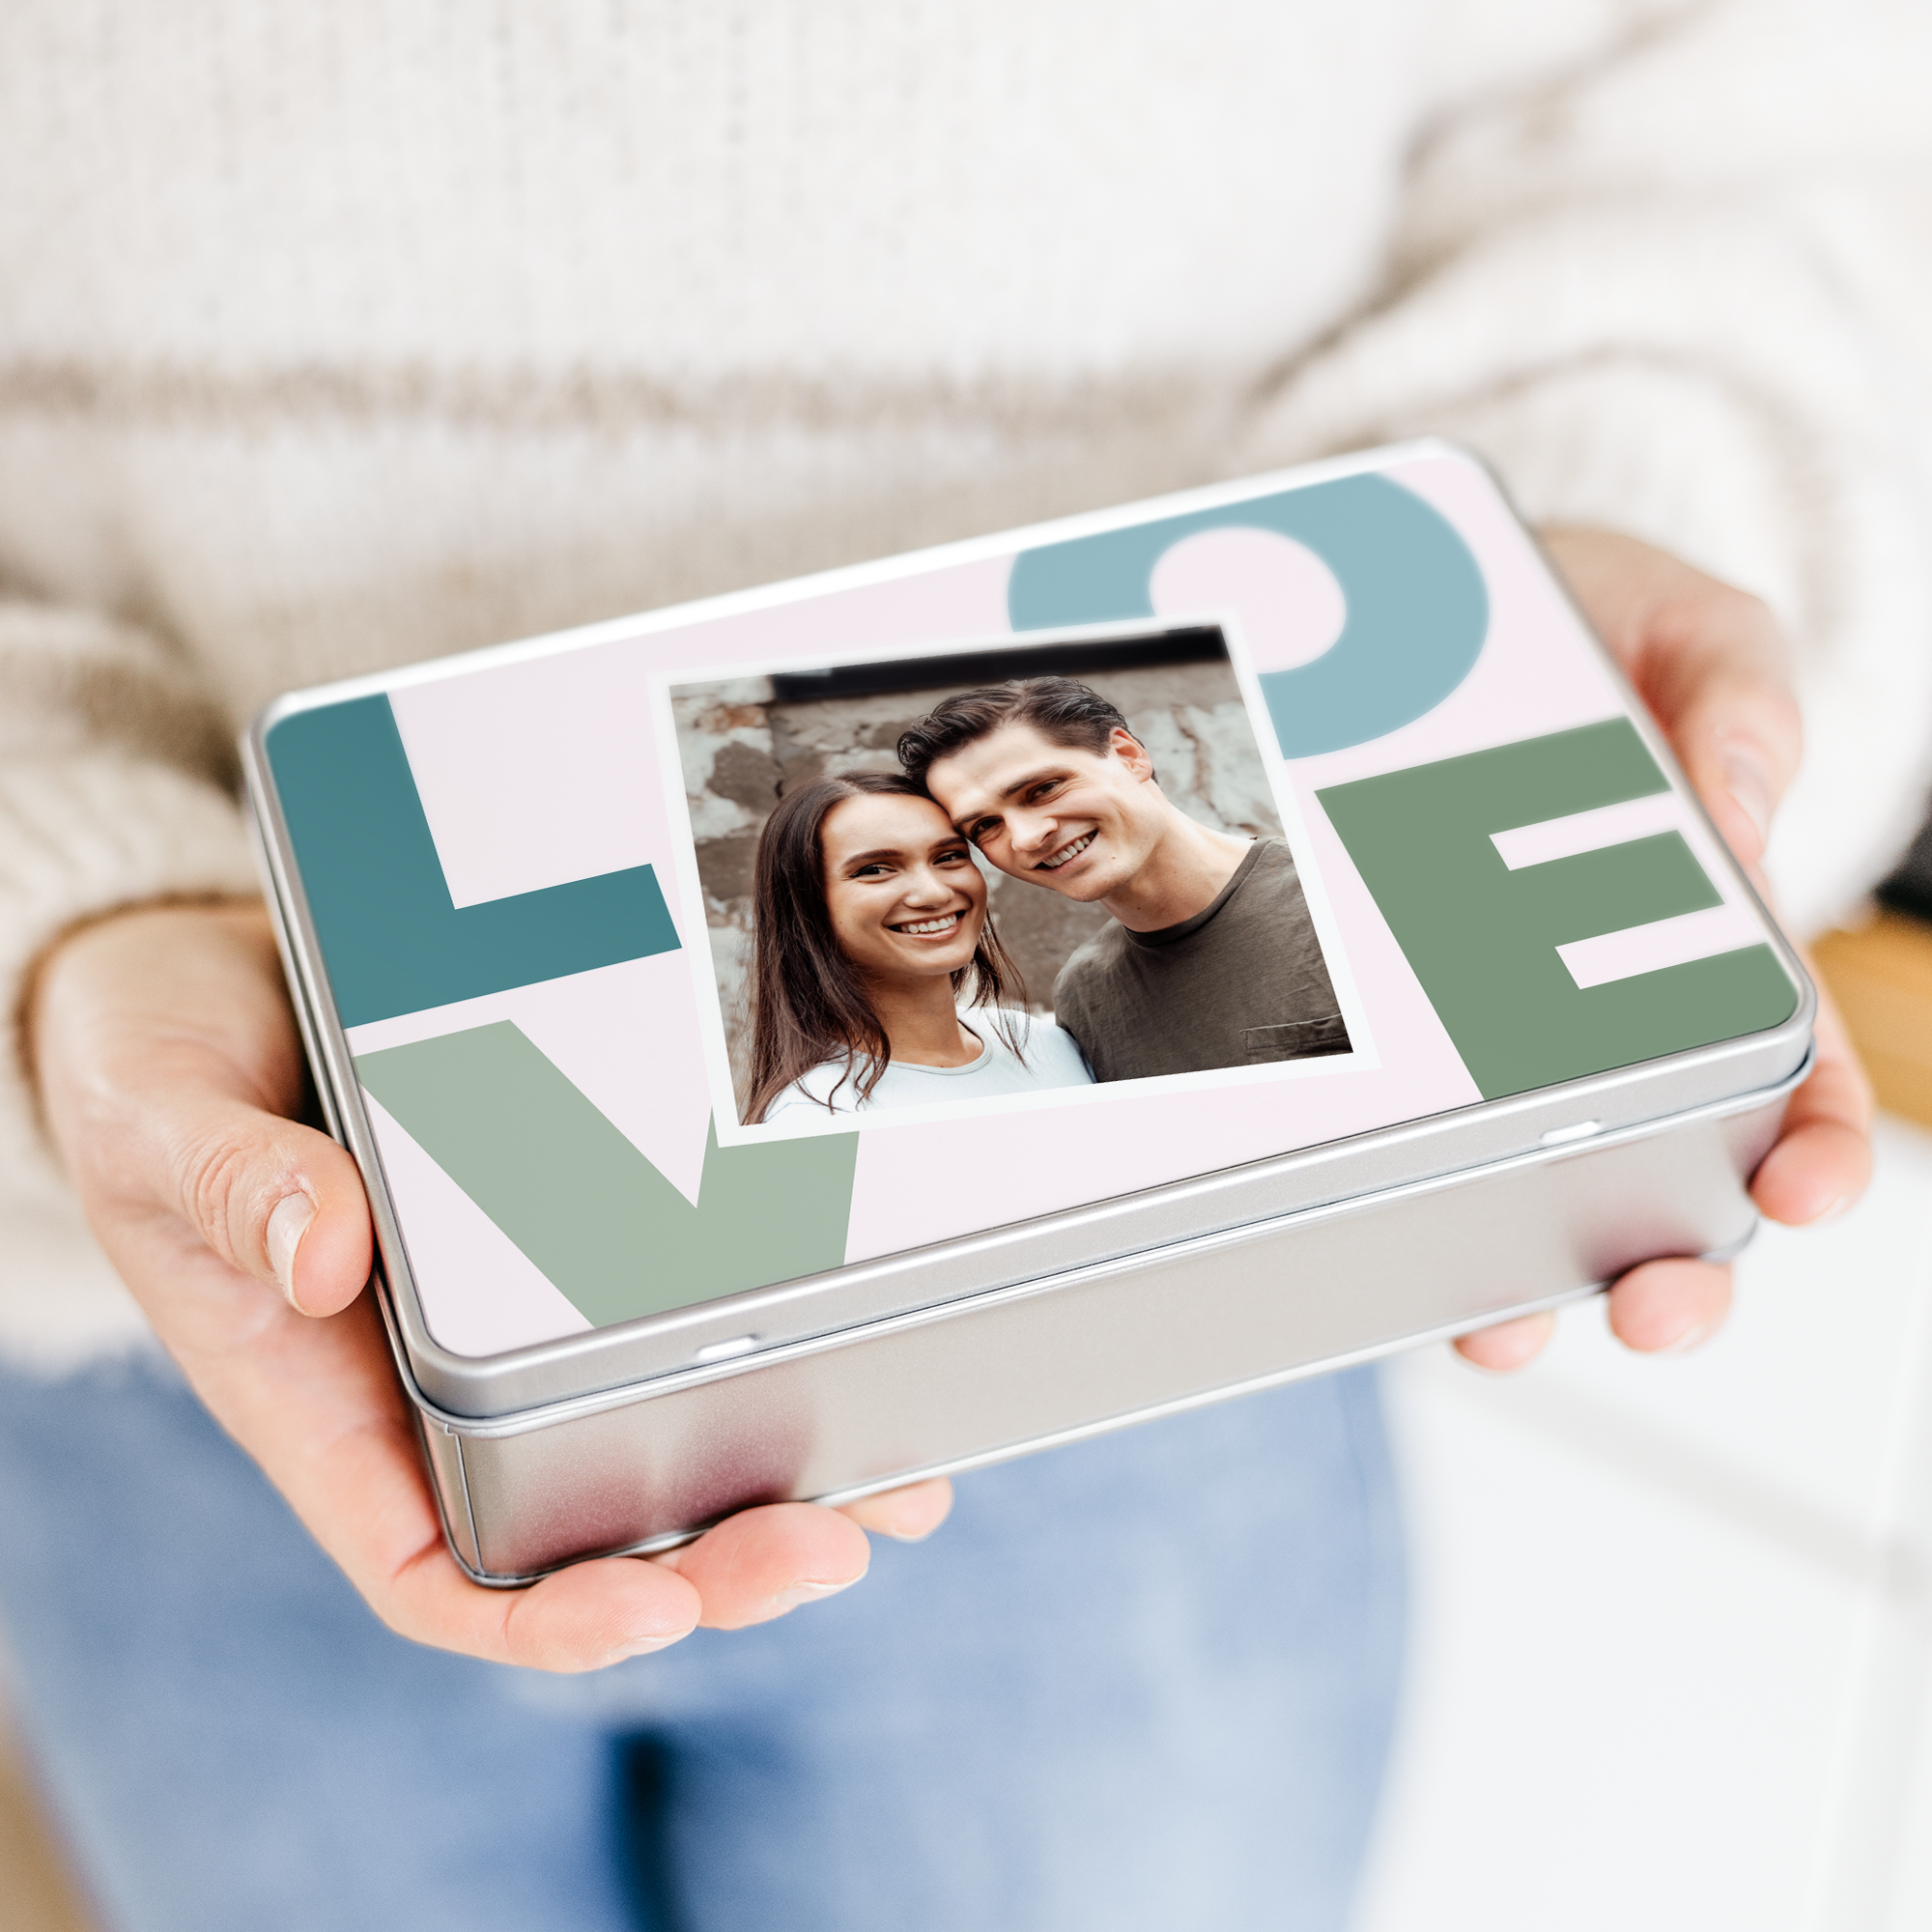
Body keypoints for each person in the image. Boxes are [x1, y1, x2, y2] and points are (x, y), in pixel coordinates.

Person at [0, 5, 1920, 1928]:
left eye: (979, 838)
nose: (964, 868)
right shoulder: (874, 1036)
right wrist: (56, 888)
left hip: (1155, 1378)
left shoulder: (1125, 1025)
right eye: (918, 845)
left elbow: (1716, 109)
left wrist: (1613, 492)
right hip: (179, 1333)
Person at [900, 677, 1349, 1080]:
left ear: (1129, 756)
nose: (1027, 837)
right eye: (985, 826)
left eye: (1042, 789)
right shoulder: (1084, 993)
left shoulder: (1347, 887)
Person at [744, 770, 1093, 1122]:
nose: (935, 893)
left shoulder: (1043, 1042)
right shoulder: (817, 1115)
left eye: (948, 857)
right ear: (804, 904)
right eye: (875, 869)